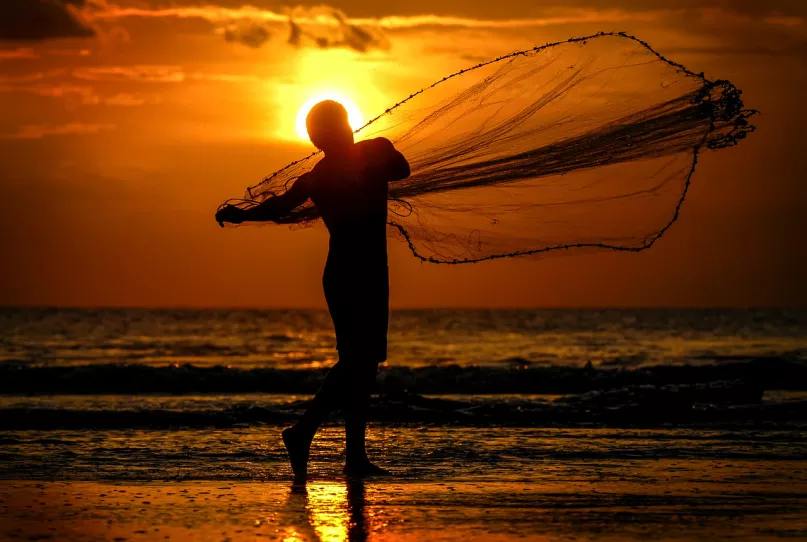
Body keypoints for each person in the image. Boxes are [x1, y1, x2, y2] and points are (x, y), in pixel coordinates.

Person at [216, 100, 410, 482]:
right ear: (336, 131)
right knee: (357, 362)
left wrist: (243, 214)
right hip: (353, 273)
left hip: (360, 272)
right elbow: (279, 206)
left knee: (363, 366)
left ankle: (353, 455)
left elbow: (402, 170)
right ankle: (304, 432)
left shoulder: (340, 166)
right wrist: (241, 215)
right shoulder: (335, 169)